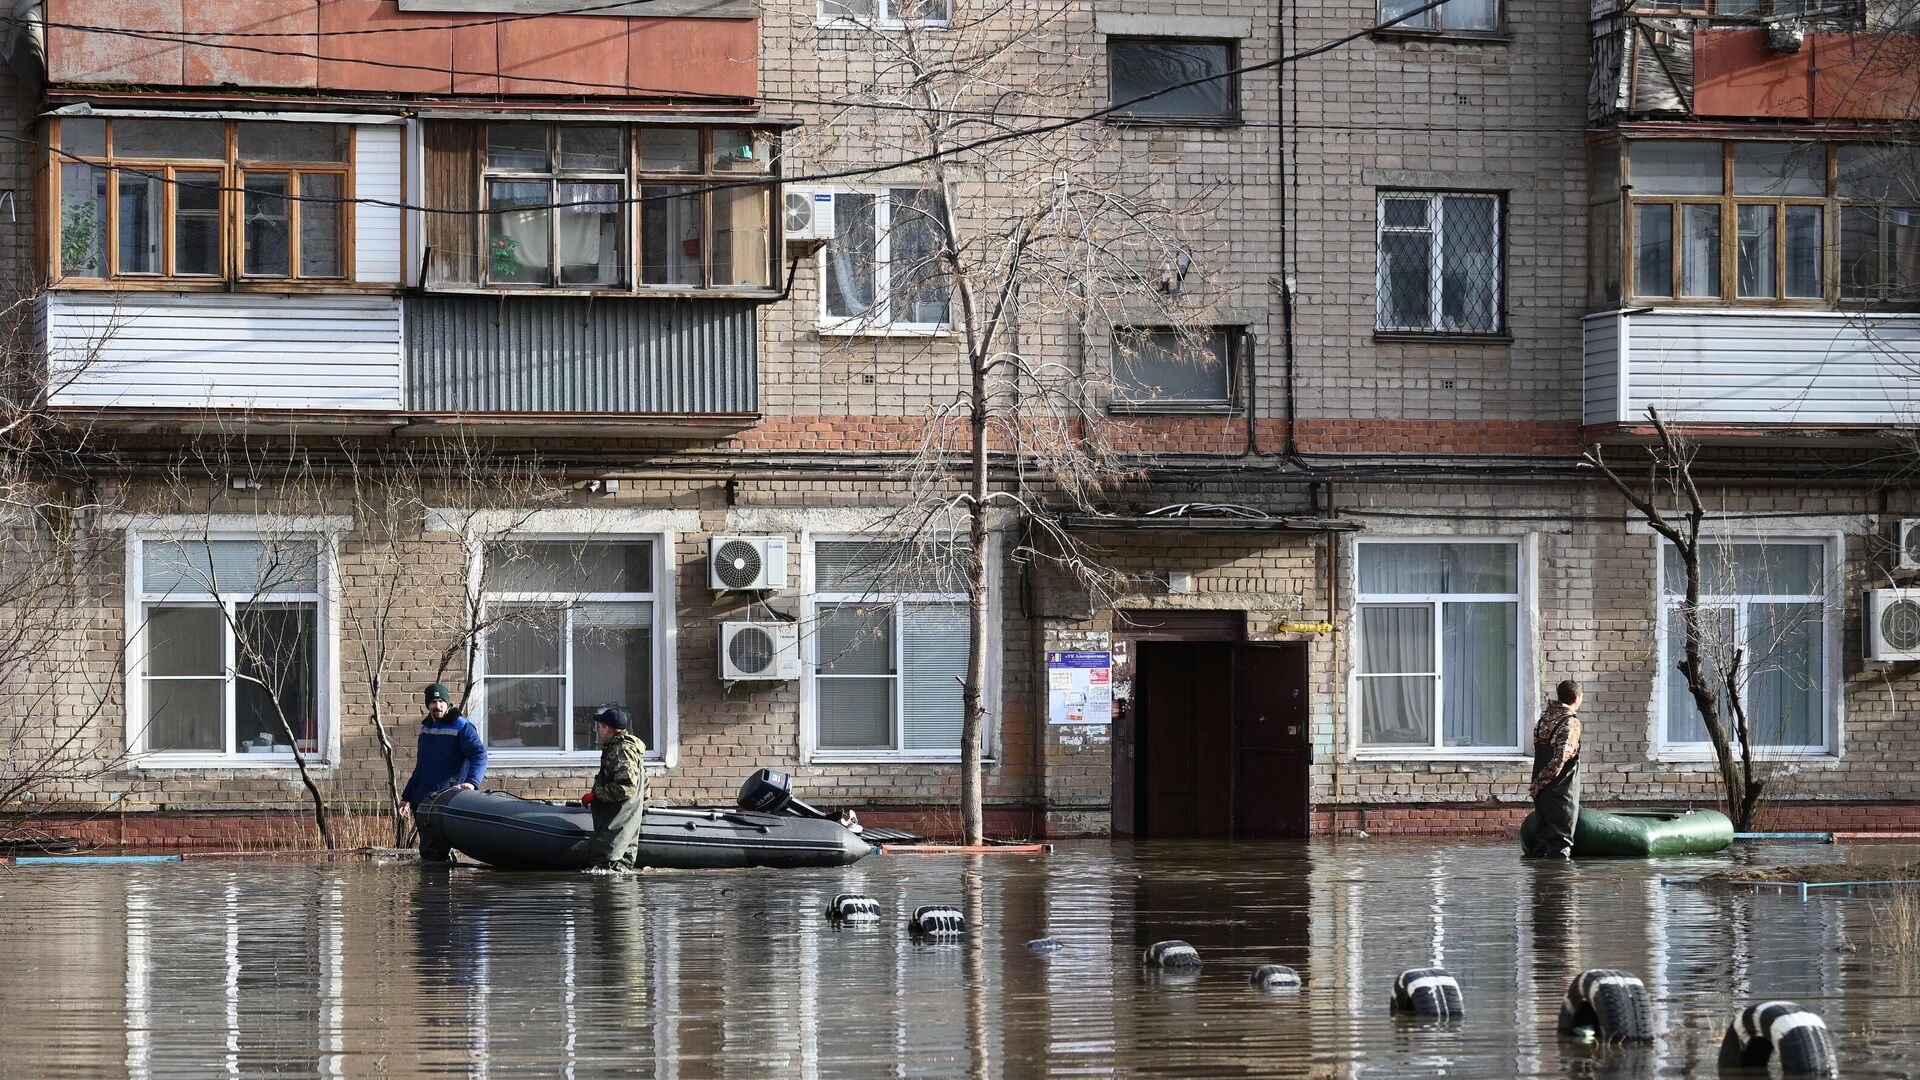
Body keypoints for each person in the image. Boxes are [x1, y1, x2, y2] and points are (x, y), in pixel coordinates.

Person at [399, 683, 488, 863]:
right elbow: (422, 767)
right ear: (427, 705)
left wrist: (471, 782)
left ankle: (435, 887)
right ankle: (437, 886)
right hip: (422, 798)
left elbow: (479, 755)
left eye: (441, 701)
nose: (437, 706)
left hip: (444, 798)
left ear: (447, 703)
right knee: (431, 850)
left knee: (433, 851)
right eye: (433, 701)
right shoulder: (427, 727)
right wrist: (407, 797)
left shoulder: (462, 726)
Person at [579, 706, 648, 871]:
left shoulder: (621, 750)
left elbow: (627, 787)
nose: (596, 729)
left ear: (605, 728)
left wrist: (596, 795)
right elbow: (643, 785)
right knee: (617, 872)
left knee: (609, 867)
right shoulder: (621, 747)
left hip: (618, 824)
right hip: (623, 821)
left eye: (599, 725)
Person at [1527, 679, 1583, 859]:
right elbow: (1561, 757)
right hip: (1561, 789)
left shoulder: (1544, 718)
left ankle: (1538, 882)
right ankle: (1558, 882)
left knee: (1542, 838)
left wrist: (1538, 784)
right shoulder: (1570, 722)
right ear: (1576, 698)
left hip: (1541, 788)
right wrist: (1543, 781)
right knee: (1560, 843)